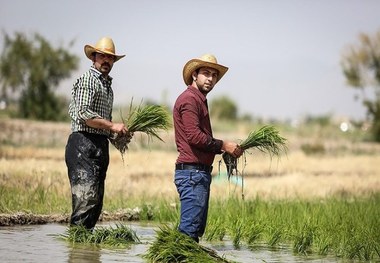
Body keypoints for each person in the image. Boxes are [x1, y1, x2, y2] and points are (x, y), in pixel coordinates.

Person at [173, 54, 243, 242]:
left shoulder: (199, 99)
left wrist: (225, 148)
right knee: (188, 235)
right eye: (206, 73)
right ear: (194, 75)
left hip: (198, 173)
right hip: (192, 174)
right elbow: (194, 137)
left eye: (214, 75)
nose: (210, 78)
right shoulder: (189, 99)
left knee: (194, 232)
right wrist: (224, 145)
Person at [65, 37, 130, 230]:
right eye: (102, 56)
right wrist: (112, 126)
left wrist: (118, 136)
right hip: (82, 144)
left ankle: (86, 253)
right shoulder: (88, 80)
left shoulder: (107, 86)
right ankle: (77, 249)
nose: (106, 61)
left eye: (110, 58)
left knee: (96, 203)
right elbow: (84, 115)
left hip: (99, 145)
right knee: (86, 200)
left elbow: (103, 125)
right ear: (93, 57)